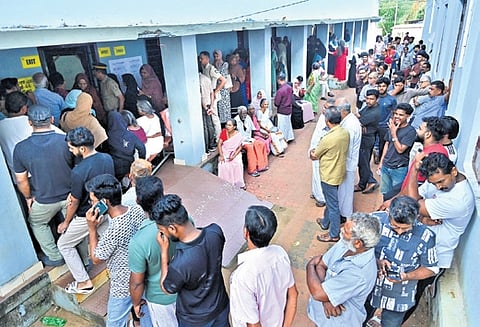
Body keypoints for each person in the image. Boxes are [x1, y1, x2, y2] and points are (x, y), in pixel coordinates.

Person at [402, 152, 474, 322]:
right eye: (434, 183)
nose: (439, 187)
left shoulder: (459, 200)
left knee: (411, 295)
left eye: (441, 182)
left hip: (436, 254)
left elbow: (413, 202)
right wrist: (422, 216)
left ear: (454, 171)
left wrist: (413, 172)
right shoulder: (441, 181)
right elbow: (414, 198)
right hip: (423, 244)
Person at [153, 194, 230, 327]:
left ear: (172, 228)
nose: (163, 234)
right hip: (221, 308)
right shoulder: (215, 232)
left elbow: (166, 288)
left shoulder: (179, 264)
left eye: (162, 230)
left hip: (195, 320)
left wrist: (164, 252)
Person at [13, 105, 73, 267]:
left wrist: (28, 197)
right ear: (52, 120)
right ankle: (84, 256)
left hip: (44, 199)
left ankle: (55, 256)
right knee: (73, 223)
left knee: (37, 223)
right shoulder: (66, 140)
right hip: (70, 196)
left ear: (30, 122)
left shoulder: (21, 148)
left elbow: (22, 180)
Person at [57, 127, 114, 294]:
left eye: (71, 147)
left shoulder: (78, 171)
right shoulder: (107, 158)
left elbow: (74, 202)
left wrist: (66, 222)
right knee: (110, 239)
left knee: (64, 244)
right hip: (105, 208)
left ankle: (83, 282)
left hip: (87, 215)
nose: (70, 150)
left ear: (82, 148)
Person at [365, 196, 438, 327]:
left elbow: (431, 269)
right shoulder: (374, 221)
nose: (399, 232)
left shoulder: (426, 236)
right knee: (358, 319)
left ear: (415, 219)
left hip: (399, 295)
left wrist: (407, 276)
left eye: (404, 229)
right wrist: (375, 261)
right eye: (395, 226)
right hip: (367, 286)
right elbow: (356, 248)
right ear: (389, 214)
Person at [85, 174, 145, 327]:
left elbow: (96, 258)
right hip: (142, 274)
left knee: (114, 323)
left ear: (104, 202)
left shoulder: (114, 230)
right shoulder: (136, 210)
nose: (91, 204)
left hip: (123, 284)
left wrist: (92, 229)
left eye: (93, 201)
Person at [307, 213, 381, 326]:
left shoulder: (358, 273)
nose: (341, 230)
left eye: (346, 231)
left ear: (357, 243)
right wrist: (327, 299)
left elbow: (318, 293)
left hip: (340, 322)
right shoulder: (347, 242)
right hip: (322, 317)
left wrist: (310, 266)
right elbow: (322, 265)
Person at [230, 205, 298, 327]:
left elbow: (254, 324)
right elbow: (293, 294)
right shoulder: (280, 253)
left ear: (246, 232)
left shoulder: (243, 276)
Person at [129, 176, 178, 327]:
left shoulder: (138, 241)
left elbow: (136, 283)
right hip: (186, 287)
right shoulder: (183, 218)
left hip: (161, 298)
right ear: (162, 193)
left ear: (138, 201)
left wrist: (136, 303)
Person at [310, 107, 350, 242]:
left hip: (329, 175)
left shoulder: (328, 138)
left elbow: (315, 155)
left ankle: (333, 234)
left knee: (333, 205)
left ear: (327, 121)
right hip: (338, 172)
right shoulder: (344, 132)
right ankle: (325, 222)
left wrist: (312, 152)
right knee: (330, 200)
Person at [378, 103, 417, 196]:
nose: (397, 117)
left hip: (399, 168)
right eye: (396, 114)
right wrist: (381, 162)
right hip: (386, 166)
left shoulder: (410, 131)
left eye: (401, 115)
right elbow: (387, 144)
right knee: (385, 193)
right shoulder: (393, 126)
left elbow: (400, 149)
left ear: (408, 116)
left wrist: (394, 133)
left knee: (397, 194)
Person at [337, 98, 362, 219]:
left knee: (346, 192)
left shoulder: (350, 125)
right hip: (347, 162)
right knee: (343, 191)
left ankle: (346, 216)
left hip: (348, 162)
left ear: (343, 111)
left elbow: (347, 147)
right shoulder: (348, 120)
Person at [0, 91, 34, 180]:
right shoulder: (32, 122)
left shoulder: (1, 126)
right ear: (24, 109)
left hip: (16, 175)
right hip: (35, 172)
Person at [106, 111, 146, 182]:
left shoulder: (107, 136)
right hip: (129, 164)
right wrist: (141, 161)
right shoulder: (130, 134)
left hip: (114, 166)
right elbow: (141, 148)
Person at [355, 89, 380, 194]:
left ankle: (370, 181)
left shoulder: (375, 112)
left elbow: (359, 121)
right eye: (367, 98)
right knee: (362, 162)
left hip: (367, 139)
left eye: (371, 99)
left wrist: (361, 122)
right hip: (364, 137)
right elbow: (358, 115)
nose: (369, 101)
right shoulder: (368, 107)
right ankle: (363, 183)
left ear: (377, 100)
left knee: (363, 162)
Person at [234, 106, 268, 177]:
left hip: (249, 139)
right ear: (239, 113)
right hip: (241, 141)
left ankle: (261, 166)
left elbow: (252, 129)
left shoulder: (248, 118)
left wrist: (253, 139)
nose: (245, 115)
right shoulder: (236, 120)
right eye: (243, 113)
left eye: (246, 113)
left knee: (261, 144)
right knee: (250, 148)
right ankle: (252, 170)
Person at [139, 64, 172, 138]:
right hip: (148, 105)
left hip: (157, 104)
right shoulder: (144, 81)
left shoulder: (154, 82)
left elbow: (157, 95)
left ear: (149, 73)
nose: (143, 75)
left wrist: (144, 94)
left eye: (145, 73)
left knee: (161, 121)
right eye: (141, 73)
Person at [200, 51, 225, 139]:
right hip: (207, 95)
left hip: (212, 95)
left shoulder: (211, 68)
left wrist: (216, 91)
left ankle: (219, 138)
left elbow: (223, 80)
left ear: (207, 59)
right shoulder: (204, 68)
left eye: (202, 58)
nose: (200, 60)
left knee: (215, 118)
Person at [217, 118, 245, 189]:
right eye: (226, 125)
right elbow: (219, 144)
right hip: (225, 152)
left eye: (229, 125)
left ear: (234, 127)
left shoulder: (238, 135)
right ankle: (226, 183)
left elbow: (240, 147)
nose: (227, 126)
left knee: (237, 163)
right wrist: (221, 155)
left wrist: (234, 156)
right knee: (223, 164)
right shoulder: (224, 132)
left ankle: (238, 183)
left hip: (235, 153)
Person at [199, 71, 216, 153]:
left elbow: (200, 96)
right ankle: (212, 145)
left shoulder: (197, 80)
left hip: (203, 106)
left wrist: (205, 108)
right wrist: (211, 106)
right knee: (210, 125)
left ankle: (206, 148)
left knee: (205, 127)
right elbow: (212, 93)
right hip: (209, 104)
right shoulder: (206, 78)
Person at [212, 49, 232, 124]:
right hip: (216, 87)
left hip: (224, 88)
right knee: (218, 105)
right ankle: (219, 123)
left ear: (221, 55)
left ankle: (226, 123)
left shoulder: (225, 64)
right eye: (214, 55)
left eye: (217, 55)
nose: (216, 56)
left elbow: (225, 75)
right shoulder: (213, 65)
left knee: (225, 106)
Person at [274, 73, 295, 142]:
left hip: (282, 110)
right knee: (288, 124)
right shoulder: (289, 88)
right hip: (289, 109)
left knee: (282, 126)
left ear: (279, 79)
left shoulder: (280, 91)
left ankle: (283, 140)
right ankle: (289, 137)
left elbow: (277, 103)